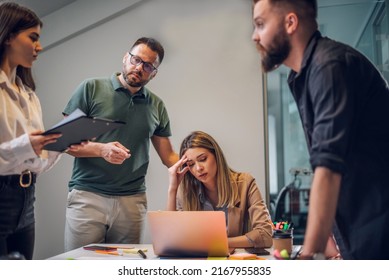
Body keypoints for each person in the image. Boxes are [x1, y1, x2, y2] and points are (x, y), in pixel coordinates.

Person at [252, 0, 389, 259]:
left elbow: (328, 168)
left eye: (260, 24)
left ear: (290, 22)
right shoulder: (306, 74)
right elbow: (332, 159)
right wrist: (327, 233)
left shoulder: (330, 67)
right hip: (359, 229)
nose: (254, 36)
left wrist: (308, 253)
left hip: (378, 228)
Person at [63, 37, 178, 251]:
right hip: (88, 196)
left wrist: (200, 164)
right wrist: (102, 149)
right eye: (136, 60)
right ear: (126, 57)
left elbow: (169, 157)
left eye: (148, 65)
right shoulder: (91, 88)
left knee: (124, 269)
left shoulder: (157, 105)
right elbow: (66, 141)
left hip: (132, 202)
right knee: (79, 269)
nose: (139, 67)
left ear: (154, 72)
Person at [0, 2, 82, 259]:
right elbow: (23, 149)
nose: (39, 47)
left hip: (27, 199)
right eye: (33, 38)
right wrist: (25, 146)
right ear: (8, 35)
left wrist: (60, 145)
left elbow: (36, 163)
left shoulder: (29, 95)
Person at [167, 131, 273, 249]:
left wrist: (217, 244)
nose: (198, 168)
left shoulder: (245, 184)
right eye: (191, 164)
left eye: (202, 159)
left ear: (216, 156)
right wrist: (173, 189)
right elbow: (172, 240)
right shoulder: (186, 192)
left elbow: (265, 235)